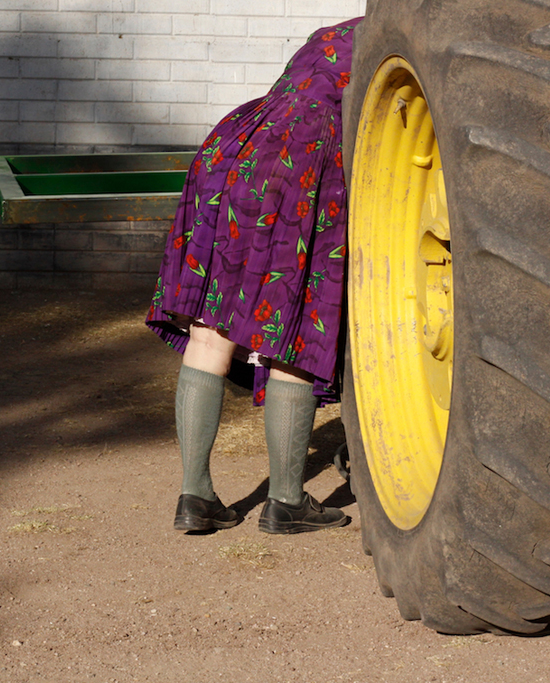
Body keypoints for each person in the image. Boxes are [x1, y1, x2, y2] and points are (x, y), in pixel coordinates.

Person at [146, 18, 360, 534]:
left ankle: (195, 497)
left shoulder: (336, 32)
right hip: (304, 158)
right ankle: (285, 502)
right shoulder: (402, 36)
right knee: (298, 324)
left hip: (236, 146)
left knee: (210, 326)